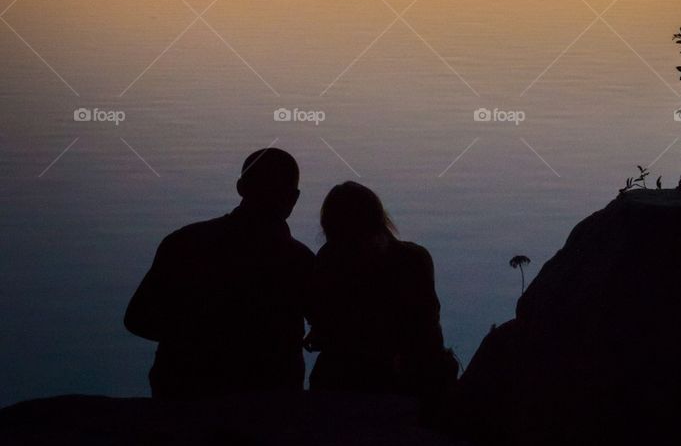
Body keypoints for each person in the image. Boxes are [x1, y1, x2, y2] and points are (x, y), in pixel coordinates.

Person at [124, 148, 314, 399]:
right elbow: (330, 329)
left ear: (240, 187)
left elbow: (137, 320)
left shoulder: (183, 242)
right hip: (270, 401)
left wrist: (192, 340)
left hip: (184, 392)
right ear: (294, 197)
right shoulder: (301, 260)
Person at [306, 182, 457, 401]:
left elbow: (320, 319)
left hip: (342, 379)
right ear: (379, 217)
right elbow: (428, 326)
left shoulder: (328, 258)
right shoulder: (415, 258)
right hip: (406, 381)